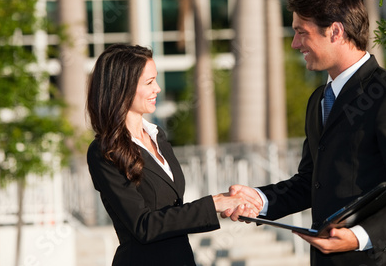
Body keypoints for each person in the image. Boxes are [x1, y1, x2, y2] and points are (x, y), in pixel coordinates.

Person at [223, 0, 386, 266]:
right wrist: (260, 200)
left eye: (301, 32)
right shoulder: (319, 100)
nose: (295, 43)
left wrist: (359, 236)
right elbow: (310, 182)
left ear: (335, 31)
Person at [86, 44, 259, 265]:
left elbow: (173, 211)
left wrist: (225, 202)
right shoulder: (104, 152)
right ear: (122, 88)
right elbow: (143, 225)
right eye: (149, 82)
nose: (157, 88)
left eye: (155, 79)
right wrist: (212, 204)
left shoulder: (158, 137)